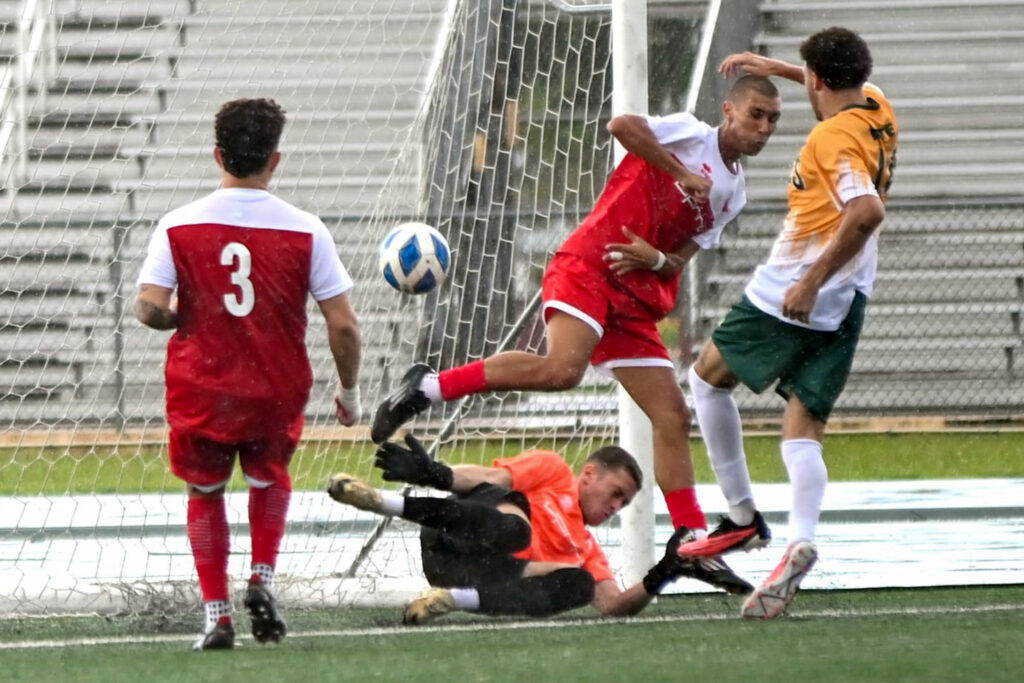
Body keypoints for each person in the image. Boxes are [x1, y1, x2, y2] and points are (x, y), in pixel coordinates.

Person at [370, 76, 783, 592]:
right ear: (729, 110)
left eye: (772, 120)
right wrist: (680, 172)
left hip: (634, 299)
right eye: (755, 114)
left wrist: (658, 260)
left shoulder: (735, 193)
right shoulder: (689, 135)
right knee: (561, 371)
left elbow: (683, 256)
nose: (763, 127)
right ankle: (427, 387)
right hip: (590, 264)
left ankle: (689, 539)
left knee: (672, 414)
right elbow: (622, 126)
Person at [677, 27, 899, 620]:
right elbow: (825, 79)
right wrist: (770, 67)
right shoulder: (877, 105)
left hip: (794, 291)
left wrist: (807, 282)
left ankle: (743, 519)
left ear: (819, 81)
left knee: (705, 379)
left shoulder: (831, 140)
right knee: (803, 426)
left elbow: (865, 211)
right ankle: (800, 538)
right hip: (852, 298)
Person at [134, 98, 363, 650]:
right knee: (268, 479)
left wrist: (169, 316)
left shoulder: (177, 225)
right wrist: (350, 392)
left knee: (204, 490)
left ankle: (216, 614)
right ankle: (261, 577)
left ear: (217, 154)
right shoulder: (307, 230)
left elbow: (148, 307)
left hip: (202, 386)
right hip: (274, 387)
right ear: (274, 161)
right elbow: (345, 327)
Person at [327, 434, 723, 623]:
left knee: (580, 583)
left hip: (462, 574)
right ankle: (386, 503)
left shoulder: (586, 547)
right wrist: (437, 473)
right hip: (452, 532)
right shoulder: (553, 471)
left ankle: (450, 601)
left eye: (624, 504)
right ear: (589, 474)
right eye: (616, 493)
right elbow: (487, 477)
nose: (616, 508)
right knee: (518, 529)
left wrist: (664, 573)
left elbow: (613, 606)